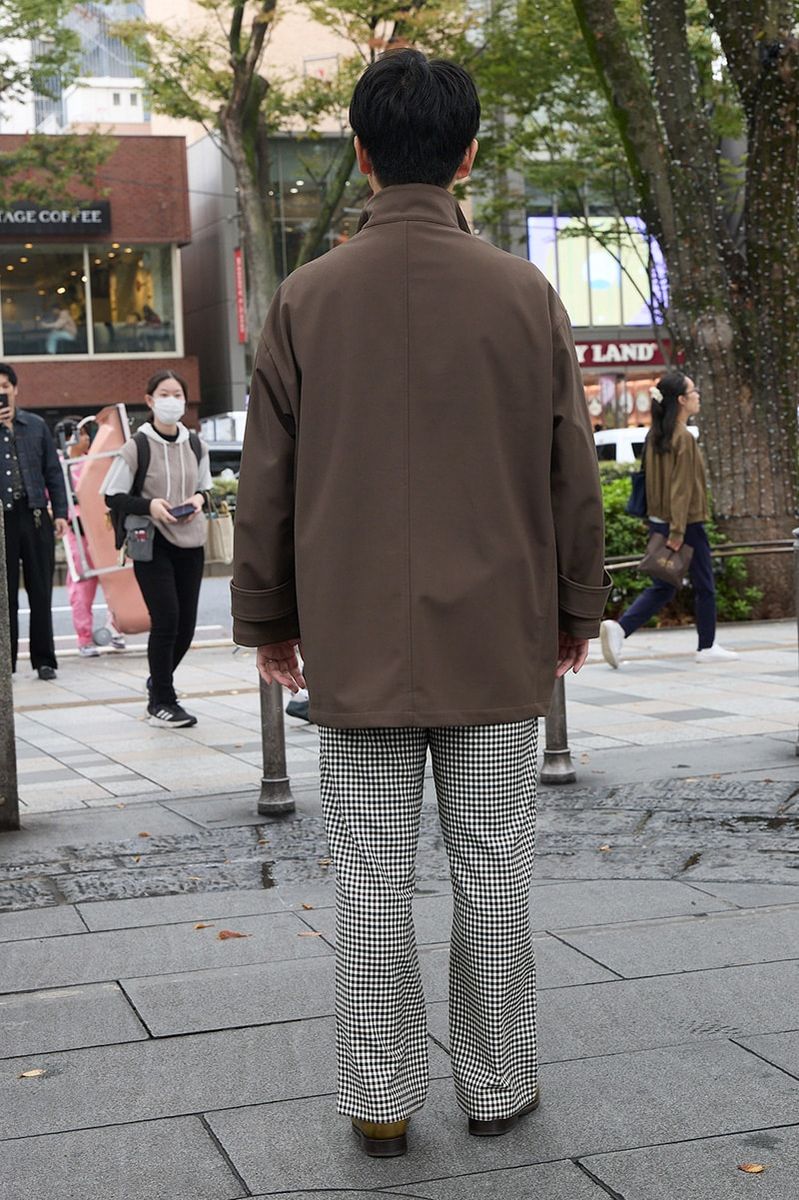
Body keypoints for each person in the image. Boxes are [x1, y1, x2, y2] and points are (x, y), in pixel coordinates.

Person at [231, 50, 610, 1158]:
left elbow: (266, 486)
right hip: (497, 641)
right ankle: (494, 1086)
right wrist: (576, 611)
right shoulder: (523, 295)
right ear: (469, 153)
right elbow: (570, 474)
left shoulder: (304, 299)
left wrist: (268, 620)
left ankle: (381, 1096)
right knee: (492, 870)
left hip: (352, 645)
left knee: (368, 876)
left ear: (358, 154)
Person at [600, 371, 739, 668]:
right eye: (694, 391)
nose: (698, 395)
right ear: (681, 400)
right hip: (685, 524)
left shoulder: (656, 436)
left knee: (664, 584)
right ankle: (706, 646)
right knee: (704, 585)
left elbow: (650, 484)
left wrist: (659, 524)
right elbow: (681, 489)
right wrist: (678, 531)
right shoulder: (683, 438)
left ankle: (621, 630)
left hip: (662, 521)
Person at [103, 370, 212, 727]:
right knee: (166, 619)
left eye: (178, 394)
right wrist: (150, 507)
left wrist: (198, 499)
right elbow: (113, 493)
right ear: (150, 401)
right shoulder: (138, 444)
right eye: (164, 394)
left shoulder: (195, 443)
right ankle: (162, 700)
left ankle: (159, 683)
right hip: (151, 542)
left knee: (186, 626)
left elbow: (206, 487)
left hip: (191, 540)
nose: (172, 401)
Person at [0, 363, 68, 680]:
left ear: (15, 389)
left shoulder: (36, 425)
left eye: (4, 385)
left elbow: (54, 473)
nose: (1, 392)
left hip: (37, 515)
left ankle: (45, 660)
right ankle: (6, 661)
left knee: (42, 591)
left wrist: (63, 513)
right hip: (3, 522)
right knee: (6, 595)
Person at [57, 417, 126, 658]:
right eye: (82, 434)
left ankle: (117, 628)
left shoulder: (94, 461)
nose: (86, 439)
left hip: (101, 530)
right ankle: (84, 638)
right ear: (69, 438)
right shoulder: (59, 464)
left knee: (115, 580)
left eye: (87, 434)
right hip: (77, 533)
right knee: (81, 589)